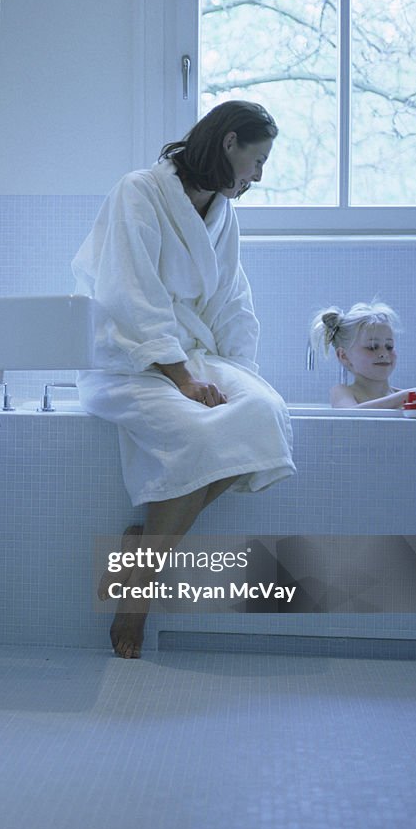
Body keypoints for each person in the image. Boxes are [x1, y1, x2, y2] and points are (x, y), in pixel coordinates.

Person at [71, 100, 295, 659]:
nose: (259, 175)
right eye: (257, 159)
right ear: (228, 145)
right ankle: (139, 592)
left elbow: (231, 300)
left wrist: (238, 372)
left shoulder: (223, 212)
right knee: (200, 435)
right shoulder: (140, 191)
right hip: (129, 357)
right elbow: (131, 293)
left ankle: (139, 553)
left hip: (194, 354)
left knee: (264, 415)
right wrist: (180, 377)